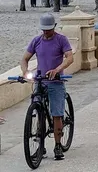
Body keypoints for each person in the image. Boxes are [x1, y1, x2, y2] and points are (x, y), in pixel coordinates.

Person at [20, 13, 74, 160]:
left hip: (55, 82)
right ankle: (40, 145)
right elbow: (24, 58)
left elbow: (70, 57)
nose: (46, 32)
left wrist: (57, 70)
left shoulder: (61, 40)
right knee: (38, 111)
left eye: (48, 29)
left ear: (54, 27)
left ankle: (57, 145)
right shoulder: (36, 41)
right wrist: (25, 72)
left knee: (56, 113)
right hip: (40, 81)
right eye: (44, 30)